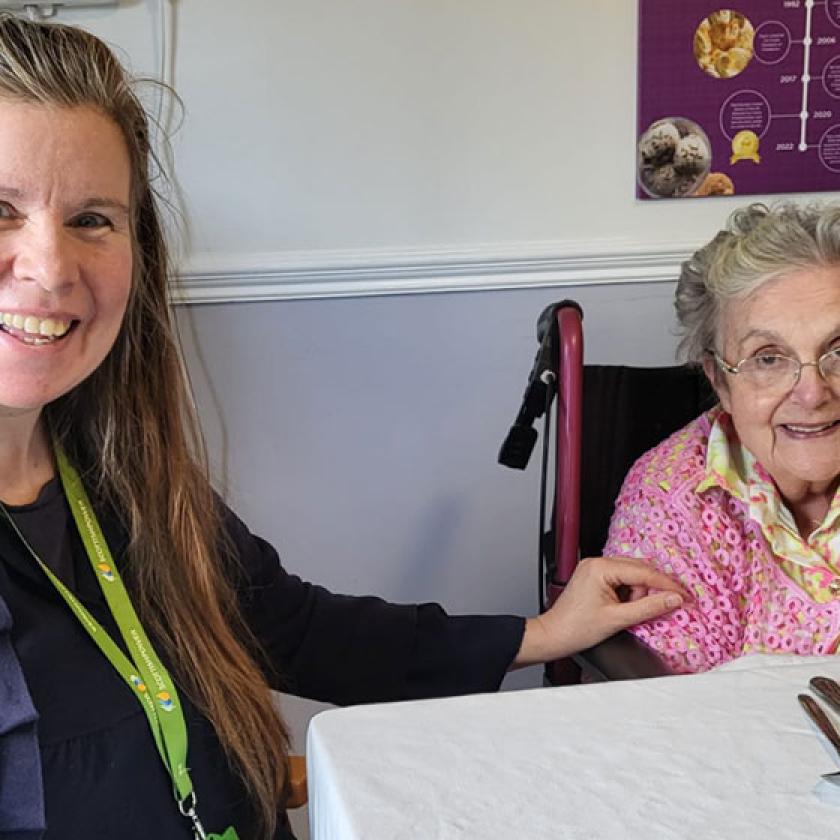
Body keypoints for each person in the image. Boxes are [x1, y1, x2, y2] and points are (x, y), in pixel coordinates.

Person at [0, 15, 686, 840]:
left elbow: (298, 627)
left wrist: (541, 634)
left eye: (92, 219)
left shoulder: (116, 474)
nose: (49, 266)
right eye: (2, 210)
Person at [605, 201, 840, 675]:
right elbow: (682, 713)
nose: (813, 393)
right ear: (719, 380)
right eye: (768, 358)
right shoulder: (674, 501)